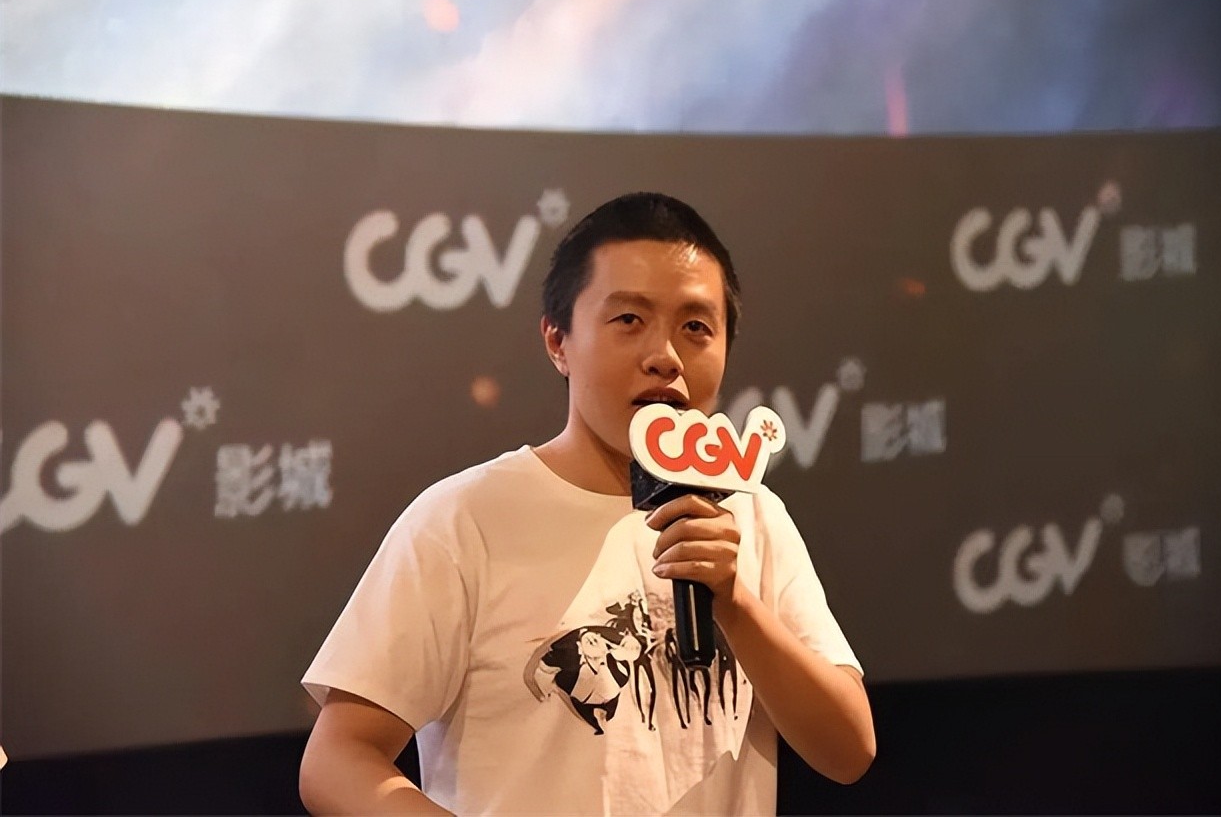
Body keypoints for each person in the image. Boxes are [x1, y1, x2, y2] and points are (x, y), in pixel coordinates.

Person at [299, 192, 875, 815]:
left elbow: (848, 751)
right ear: (558, 340)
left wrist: (735, 603)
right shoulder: (464, 520)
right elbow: (338, 759)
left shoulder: (752, 514)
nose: (665, 357)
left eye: (696, 328)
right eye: (629, 319)